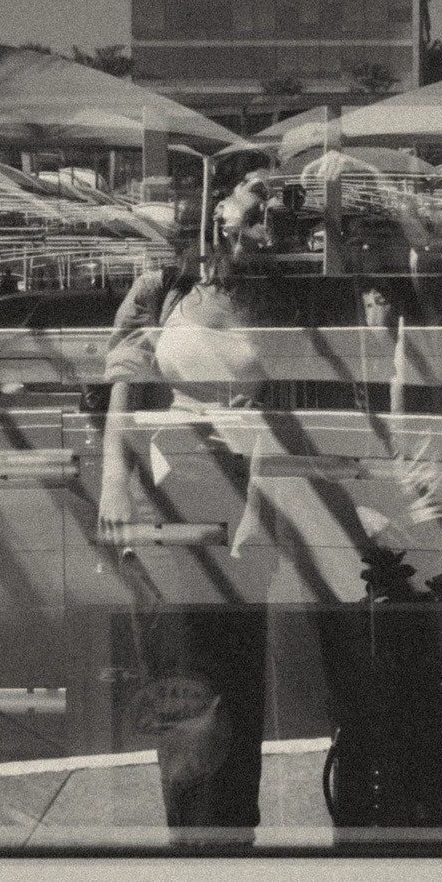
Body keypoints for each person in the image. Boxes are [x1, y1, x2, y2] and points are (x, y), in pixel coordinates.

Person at [95, 228, 276, 830]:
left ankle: (235, 839)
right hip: (165, 496)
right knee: (175, 676)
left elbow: (290, 406)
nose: (269, 209)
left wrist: (259, 495)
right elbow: (122, 387)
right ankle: (191, 840)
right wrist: (115, 485)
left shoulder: (277, 293)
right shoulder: (163, 289)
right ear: (216, 206)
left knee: (237, 679)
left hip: (245, 498)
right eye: (254, 193)